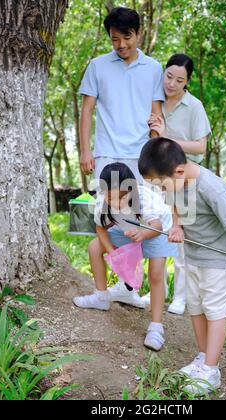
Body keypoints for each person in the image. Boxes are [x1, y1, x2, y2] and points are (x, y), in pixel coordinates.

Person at [138, 138, 226, 394]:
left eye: (160, 185)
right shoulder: (176, 182)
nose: (160, 190)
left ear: (178, 171)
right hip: (192, 256)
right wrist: (177, 225)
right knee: (196, 308)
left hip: (217, 260)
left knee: (215, 312)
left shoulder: (210, 187)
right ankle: (203, 357)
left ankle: (211, 371)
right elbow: (174, 203)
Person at [78, 7, 165, 308]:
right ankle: (106, 291)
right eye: (115, 39)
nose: (121, 45)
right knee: (109, 220)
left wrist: (157, 157)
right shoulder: (98, 66)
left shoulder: (154, 68)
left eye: (127, 38)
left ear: (138, 33)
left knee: (141, 220)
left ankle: (130, 288)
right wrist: (86, 150)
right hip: (107, 154)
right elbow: (87, 109)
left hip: (140, 156)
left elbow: (156, 114)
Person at [73, 163, 177, 351]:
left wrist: (142, 235)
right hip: (127, 229)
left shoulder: (144, 199)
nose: (116, 202)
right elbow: (100, 228)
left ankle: (156, 327)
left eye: (122, 197)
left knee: (155, 274)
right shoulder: (102, 201)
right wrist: (113, 254)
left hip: (155, 231)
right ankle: (101, 296)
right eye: (110, 197)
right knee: (94, 247)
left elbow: (157, 226)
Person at [142, 53, 211, 315]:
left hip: (183, 179)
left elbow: (201, 146)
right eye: (168, 76)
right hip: (158, 179)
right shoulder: (155, 102)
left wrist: (168, 139)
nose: (171, 83)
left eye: (179, 80)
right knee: (158, 231)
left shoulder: (193, 106)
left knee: (181, 236)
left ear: (187, 82)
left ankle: (181, 296)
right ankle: (157, 288)